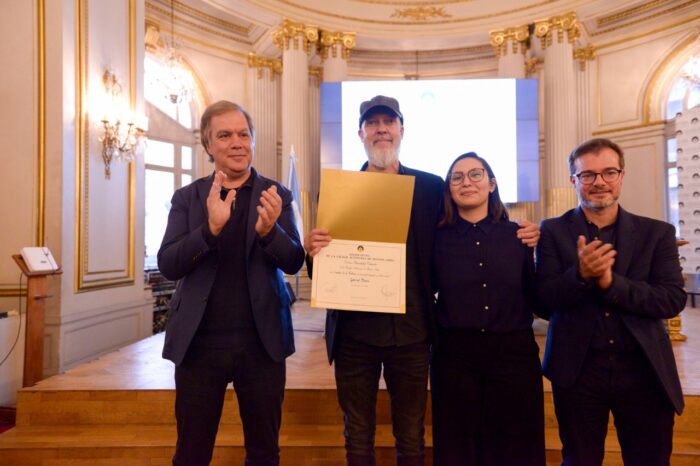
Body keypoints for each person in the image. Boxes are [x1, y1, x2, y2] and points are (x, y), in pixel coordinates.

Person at [304, 95, 540, 466]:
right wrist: (313, 251)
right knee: (357, 435)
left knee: (412, 437)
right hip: (353, 334)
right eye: (372, 123)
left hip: (412, 333)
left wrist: (516, 233)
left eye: (389, 122)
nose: (381, 129)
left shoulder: (430, 187)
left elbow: (463, 229)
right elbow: (327, 268)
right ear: (360, 133)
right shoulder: (339, 190)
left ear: (401, 130)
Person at [158, 100, 305, 466]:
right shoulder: (188, 198)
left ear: (252, 140)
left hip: (262, 344)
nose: (237, 142)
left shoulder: (276, 195)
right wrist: (209, 230)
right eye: (224, 135)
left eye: (243, 134)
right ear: (208, 145)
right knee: (191, 452)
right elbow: (169, 264)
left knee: (264, 451)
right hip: (199, 346)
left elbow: (294, 260)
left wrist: (270, 232)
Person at [536, 138, 686, 466]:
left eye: (608, 172)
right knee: (579, 459)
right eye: (588, 175)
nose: (599, 182)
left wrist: (610, 283)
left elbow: (672, 299)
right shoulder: (553, 231)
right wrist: (580, 275)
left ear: (621, 176)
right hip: (578, 371)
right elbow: (543, 301)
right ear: (573, 181)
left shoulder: (657, 233)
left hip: (643, 369)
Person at [430, 152, 545, 466]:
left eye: (475, 174)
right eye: (457, 177)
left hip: (514, 357)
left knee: (516, 448)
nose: (466, 182)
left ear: (492, 184)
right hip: (454, 358)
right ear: (449, 189)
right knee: (457, 448)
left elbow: (539, 298)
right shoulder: (435, 239)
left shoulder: (520, 236)